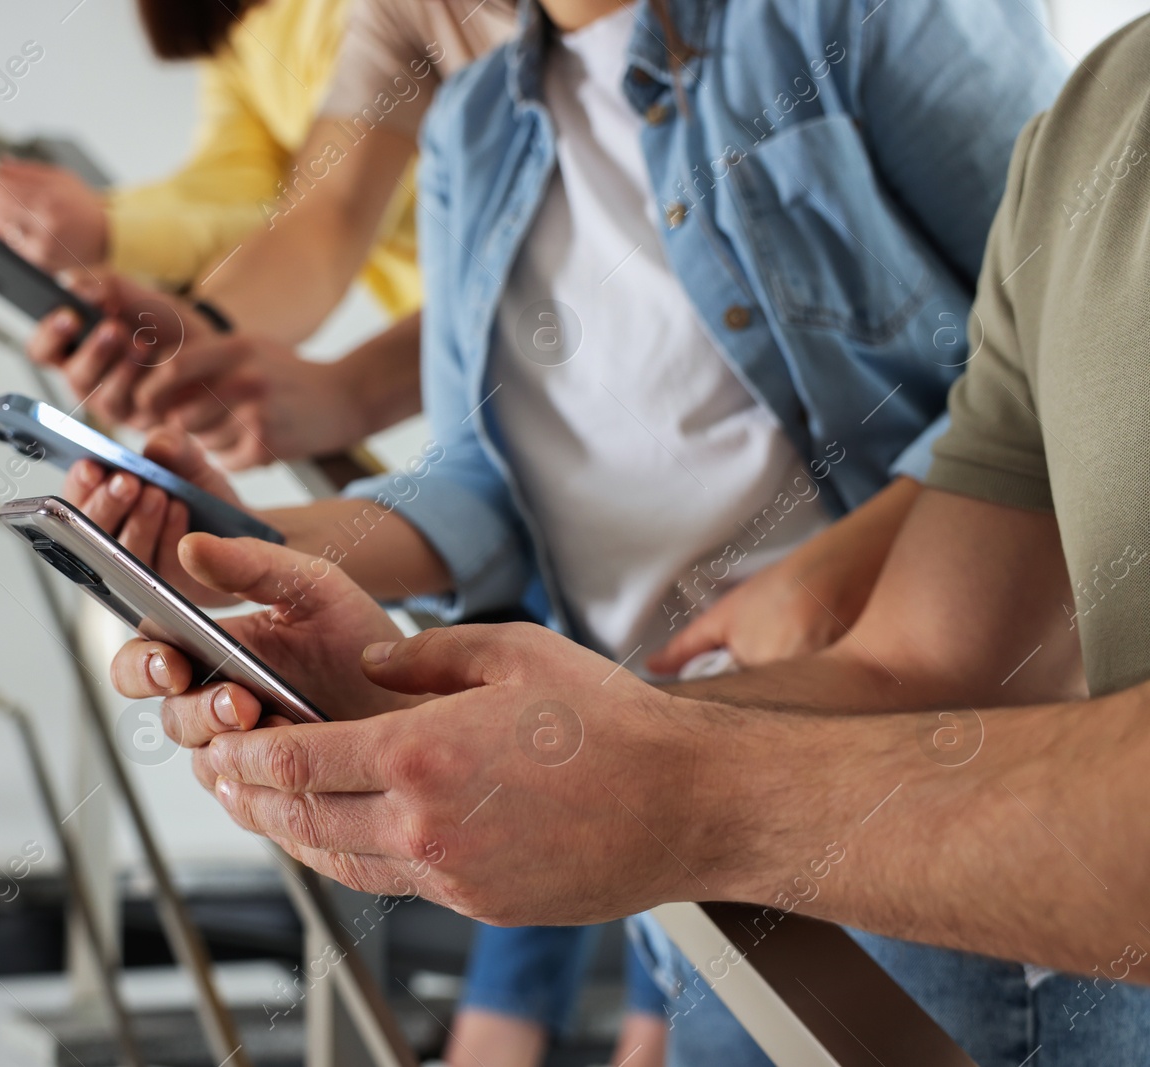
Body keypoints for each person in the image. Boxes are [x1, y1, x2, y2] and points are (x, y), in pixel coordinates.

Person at [115, 9, 1150, 1063]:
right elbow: (488, 474)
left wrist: (833, 575)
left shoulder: (866, 26)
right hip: (677, 777)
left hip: (917, 814)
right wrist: (278, 572)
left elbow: (1024, 382)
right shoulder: (475, 122)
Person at [0, 0, 517, 468]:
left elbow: (374, 202)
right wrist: (201, 324)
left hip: (497, 343)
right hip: (476, 367)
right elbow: (316, 211)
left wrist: (114, 230)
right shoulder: (348, 25)